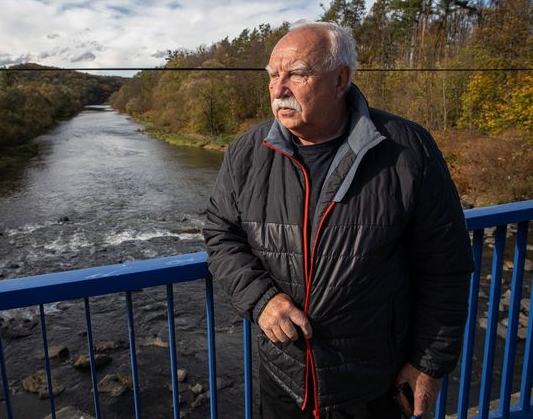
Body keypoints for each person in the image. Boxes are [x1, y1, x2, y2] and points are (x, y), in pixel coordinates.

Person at [203, 21, 474, 419]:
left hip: (372, 387)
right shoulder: (247, 152)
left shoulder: (407, 148)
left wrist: (429, 364)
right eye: (273, 76)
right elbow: (220, 232)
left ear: (340, 79)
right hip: (284, 380)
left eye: (296, 73)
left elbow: (446, 268)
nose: (279, 89)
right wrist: (260, 299)